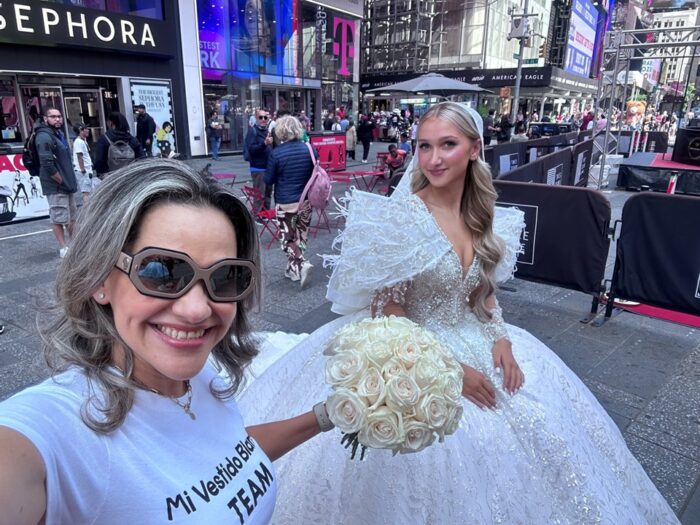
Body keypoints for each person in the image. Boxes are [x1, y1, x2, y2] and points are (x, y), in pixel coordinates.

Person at [237, 102, 680, 524]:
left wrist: (502, 337)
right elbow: (387, 307)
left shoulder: (485, 215)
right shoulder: (404, 217)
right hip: (415, 351)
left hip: (478, 337)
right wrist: (449, 369)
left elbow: (483, 293)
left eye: (447, 144)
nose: (432, 158)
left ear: (474, 149)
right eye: (424, 146)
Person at [0, 158, 334, 524]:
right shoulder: (57, 427)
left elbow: (228, 460)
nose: (196, 309)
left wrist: (325, 416)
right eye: (160, 271)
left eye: (226, 276)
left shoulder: (201, 376)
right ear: (98, 278)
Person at [264, 116, 315, 288]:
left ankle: (301, 263)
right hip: (306, 200)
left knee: (287, 239)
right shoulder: (310, 149)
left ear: (280, 131)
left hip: (286, 202)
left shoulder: (276, 153)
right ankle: (293, 270)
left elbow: (268, 179)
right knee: (301, 237)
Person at [35, 108, 78, 258]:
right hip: (57, 186)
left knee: (72, 217)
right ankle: (64, 247)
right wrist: (59, 179)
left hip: (66, 184)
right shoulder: (44, 136)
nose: (57, 119)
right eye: (53, 117)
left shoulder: (57, 134)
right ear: (46, 119)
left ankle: (75, 245)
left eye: (59, 116)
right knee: (58, 217)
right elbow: (46, 162)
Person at [94, 112, 145, 177]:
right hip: (130, 177)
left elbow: (99, 161)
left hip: (111, 179)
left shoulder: (104, 139)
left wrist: (101, 175)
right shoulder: (132, 140)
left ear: (111, 123)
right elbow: (142, 158)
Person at [245, 108, 273, 210]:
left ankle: (266, 213)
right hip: (258, 168)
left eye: (265, 117)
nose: (263, 119)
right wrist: (264, 144)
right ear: (256, 118)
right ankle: (257, 215)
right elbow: (252, 149)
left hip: (268, 167)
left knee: (268, 192)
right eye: (260, 117)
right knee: (259, 193)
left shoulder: (267, 131)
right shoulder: (253, 131)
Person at [72, 124, 96, 205]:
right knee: (86, 192)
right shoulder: (78, 142)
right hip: (84, 171)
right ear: (80, 130)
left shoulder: (83, 141)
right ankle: (87, 209)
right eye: (85, 129)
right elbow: (79, 156)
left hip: (87, 170)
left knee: (88, 191)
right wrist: (83, 170)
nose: (88, 130)